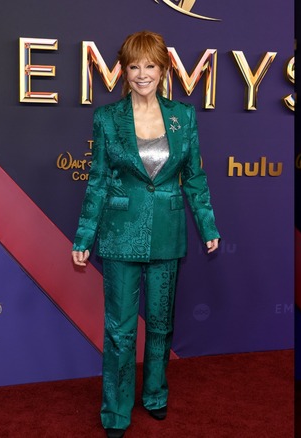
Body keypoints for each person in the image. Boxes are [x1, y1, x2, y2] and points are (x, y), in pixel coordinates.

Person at [71, 30, 220, 438]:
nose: (142, 74)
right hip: (120, 233)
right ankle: (116, 410)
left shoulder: (183, 115)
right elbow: (98, 180)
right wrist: (84, 236)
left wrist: (207, 224)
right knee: (119, 328)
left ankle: (154, 394)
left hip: (169, 233)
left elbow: (195, 176)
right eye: (134, 66)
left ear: (163, 68)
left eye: (150, 65)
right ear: (123, 70)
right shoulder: (107, 118)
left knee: (160, 324)